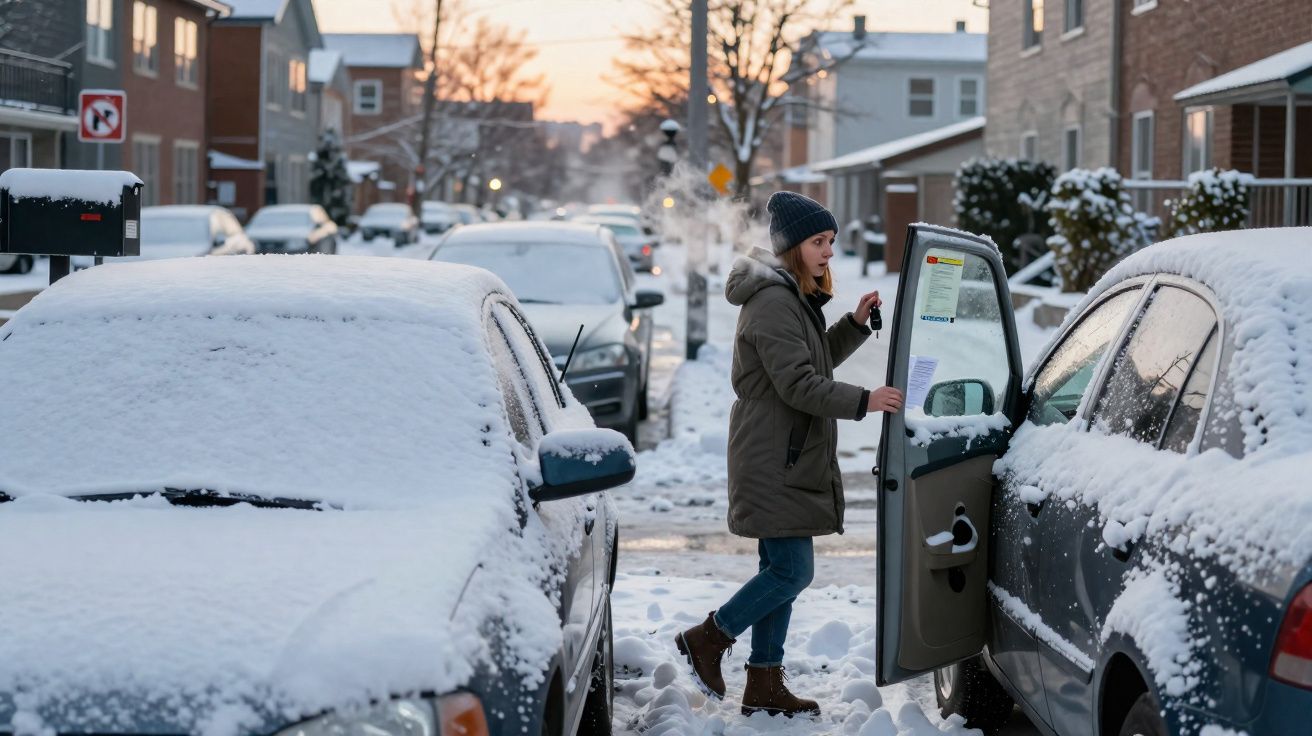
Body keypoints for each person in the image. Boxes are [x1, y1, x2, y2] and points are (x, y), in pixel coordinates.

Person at [675, 191, 904, 718]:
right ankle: (708, 638)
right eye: (818, 242)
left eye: (830, 242)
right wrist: (864, 401)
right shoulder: (773, 300)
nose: (828, 252)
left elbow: (810, 357)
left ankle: (763, 682)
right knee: (791, 571)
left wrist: (851, 325)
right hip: (773, 451)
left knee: (779, 569)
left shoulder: (787, 295)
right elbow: (800, 384)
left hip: (784, 448)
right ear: (790, 245)